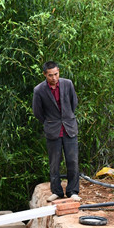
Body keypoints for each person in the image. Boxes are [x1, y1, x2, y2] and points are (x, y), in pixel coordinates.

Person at [32, 61, 80, 202]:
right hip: (53, 129)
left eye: (56, 74)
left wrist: (67, 117)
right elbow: (38, 112)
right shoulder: (39, 90)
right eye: (50, 75)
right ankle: (57, 191)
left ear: (59, 71)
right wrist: (50, 122)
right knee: (54, 163)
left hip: (69, 127)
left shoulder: (67, 84)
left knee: (73, 161)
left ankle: (73, 191)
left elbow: (73, 103)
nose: (54, 78)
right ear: (45, 75)